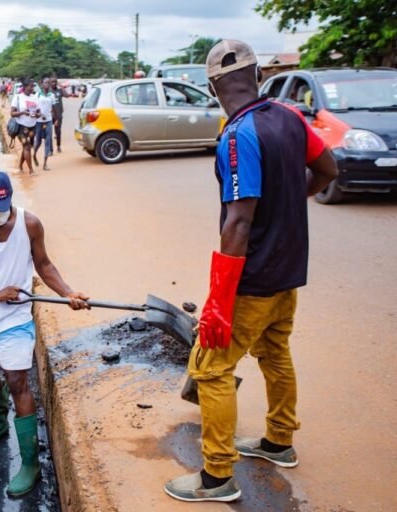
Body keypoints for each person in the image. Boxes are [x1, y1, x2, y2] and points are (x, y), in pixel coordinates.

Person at [164, 40, 339, 503]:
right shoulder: (288, 116)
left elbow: (239, 222)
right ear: (257, 73)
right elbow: (328, 169)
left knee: (211, 368)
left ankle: (216, 476)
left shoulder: (239, 134)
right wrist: (288, 201)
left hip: (255, 279)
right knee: (275, 352)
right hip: (289, 271)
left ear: (212, 86)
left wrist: (219, 301)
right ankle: (279, 442)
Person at [0, 171, 90, 497]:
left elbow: (44, 264)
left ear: (10, 199)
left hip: (15, 318)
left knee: (18, 381)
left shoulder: (30, 224)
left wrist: (68, 293)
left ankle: (30, 463)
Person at [11, 79, 39, 175]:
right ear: (25, 87)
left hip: (33, 126)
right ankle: (31, 170)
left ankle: (20, 166)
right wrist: (23, 112)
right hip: (22, 127)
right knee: (26, 146)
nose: (32, 88)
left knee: (27, 147)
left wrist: (38, 114)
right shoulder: (18, 97)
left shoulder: (35, 97)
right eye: (30, 86)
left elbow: (38, 111)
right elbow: (12, 113)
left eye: (33, 86)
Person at [33, 77, 55, 170]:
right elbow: (34, 108)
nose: (47, 84)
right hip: (39, 122)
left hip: (48, 121)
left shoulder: (51, 95)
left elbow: (53, 109)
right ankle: (34, 155)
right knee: (38, 141)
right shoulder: (37, 95)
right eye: (45, 82)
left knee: (47, 141)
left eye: (48, 83)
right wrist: (38, 114)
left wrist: (55, 119)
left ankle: (45, 164)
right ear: (42, 84)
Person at [51, 77, 64, 153]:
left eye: (55, 82)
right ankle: (50, 149)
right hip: (50, 116)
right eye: (52, 82)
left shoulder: (59, 91)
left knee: (58, 131)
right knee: (49, 133)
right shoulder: (48, 92)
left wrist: (61, 86)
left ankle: (58, 146)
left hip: (58, 115)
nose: (54, 83)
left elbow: (67, 95)